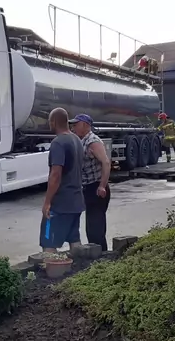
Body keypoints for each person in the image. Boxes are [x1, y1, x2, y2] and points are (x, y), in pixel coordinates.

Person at [41, 107, 85, 253]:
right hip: (76, 201)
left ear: (53, 122)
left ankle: (52, 274)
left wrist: (47, 202)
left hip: (60, 205)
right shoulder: (77, 140)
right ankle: (80, 271)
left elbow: (56, 175)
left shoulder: (58, 143)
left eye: (50, 121)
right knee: (74, 240)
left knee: (48, 241)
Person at [70, 114, 111, 252]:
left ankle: (102, 258)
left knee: (95, 229)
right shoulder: (82, 140)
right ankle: (99, 256)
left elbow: (106, 162)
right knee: (92, 227)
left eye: (76, 124)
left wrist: (102, 186)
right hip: (88, 188)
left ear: (85, 125)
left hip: (96, 188)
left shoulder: (92, 141)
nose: (73, 127)